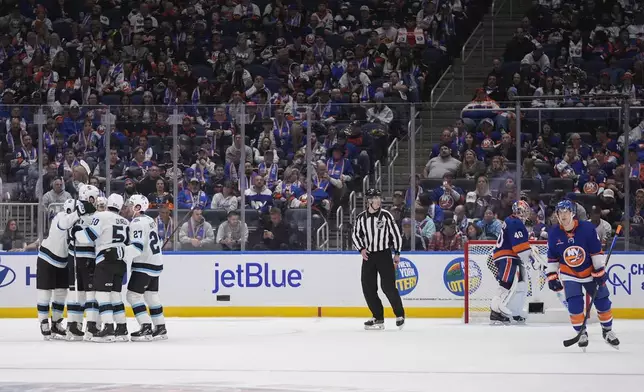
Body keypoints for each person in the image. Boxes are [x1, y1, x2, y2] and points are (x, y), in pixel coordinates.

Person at [546, 200, 619, 350]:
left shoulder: (586, 228)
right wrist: (552, 275)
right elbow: (552, 257)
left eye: (566, 212)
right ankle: (581, 332)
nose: (563, 215)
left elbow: (596, 251)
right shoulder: (554, 233)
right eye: (560, 212)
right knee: (574, 304)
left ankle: (607, 331)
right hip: (569, 273)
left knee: (602, 300)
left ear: (573, 213)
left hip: (590, 271)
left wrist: (599, 270)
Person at [351, 188, 405, 330]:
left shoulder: (386, 215)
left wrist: (397, 253)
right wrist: (361, 249)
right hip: (369, 256)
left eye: (379, 198)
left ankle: (399, 314)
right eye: (375, 198)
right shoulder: (361, 218)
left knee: (387, 286)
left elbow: (396, 235)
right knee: (368, 287)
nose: (378, 200)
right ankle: (378, 317)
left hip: (384, 254)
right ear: (369, 201)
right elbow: (355, 234)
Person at [83, 193, 131, 342]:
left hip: (105, 259)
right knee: (116, 295)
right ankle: (122, 328)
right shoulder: (125, 221)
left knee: (102, 295)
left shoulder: (102, 216)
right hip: (121, 261)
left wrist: (77, 233)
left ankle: (109, 328)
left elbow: (89, 236)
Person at [123, 195, 168, 341]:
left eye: (130, 205)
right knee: (151, 295)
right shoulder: (149, 220)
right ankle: (160, 327)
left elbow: (137, 247)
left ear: (138, 208)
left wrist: (120, 252)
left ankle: (145, 326)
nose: (127, 207)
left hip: (144, 264)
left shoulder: (136, 222)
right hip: (156, 262)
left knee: (132, 296)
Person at [36, 199, 80, 340]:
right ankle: (43, 322)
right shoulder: (60, 217)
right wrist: (79, 212)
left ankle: (56, 323)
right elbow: (66, 223)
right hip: (47, 258)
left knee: (61, 293)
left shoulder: (75, 222)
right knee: (45, 293)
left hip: (63, 261)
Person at [489, 200, 535, 324]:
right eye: (521, 211)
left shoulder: (512, 221)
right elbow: (520, 247)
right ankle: (495, 311)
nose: (523, 213)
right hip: (507, 256)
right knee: (506, 284)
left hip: (509, 256)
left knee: (518, 285)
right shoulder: (515, 222)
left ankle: (514, 311)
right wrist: (532, 259)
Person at [67, 184, 101, 341]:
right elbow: (94, 237)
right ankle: (92, 326)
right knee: (90, 293)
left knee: (78, 293)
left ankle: (74, 325)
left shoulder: (75, 215)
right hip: (88, 258)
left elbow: (69, 231)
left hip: (75, 258)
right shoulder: (94, 217)